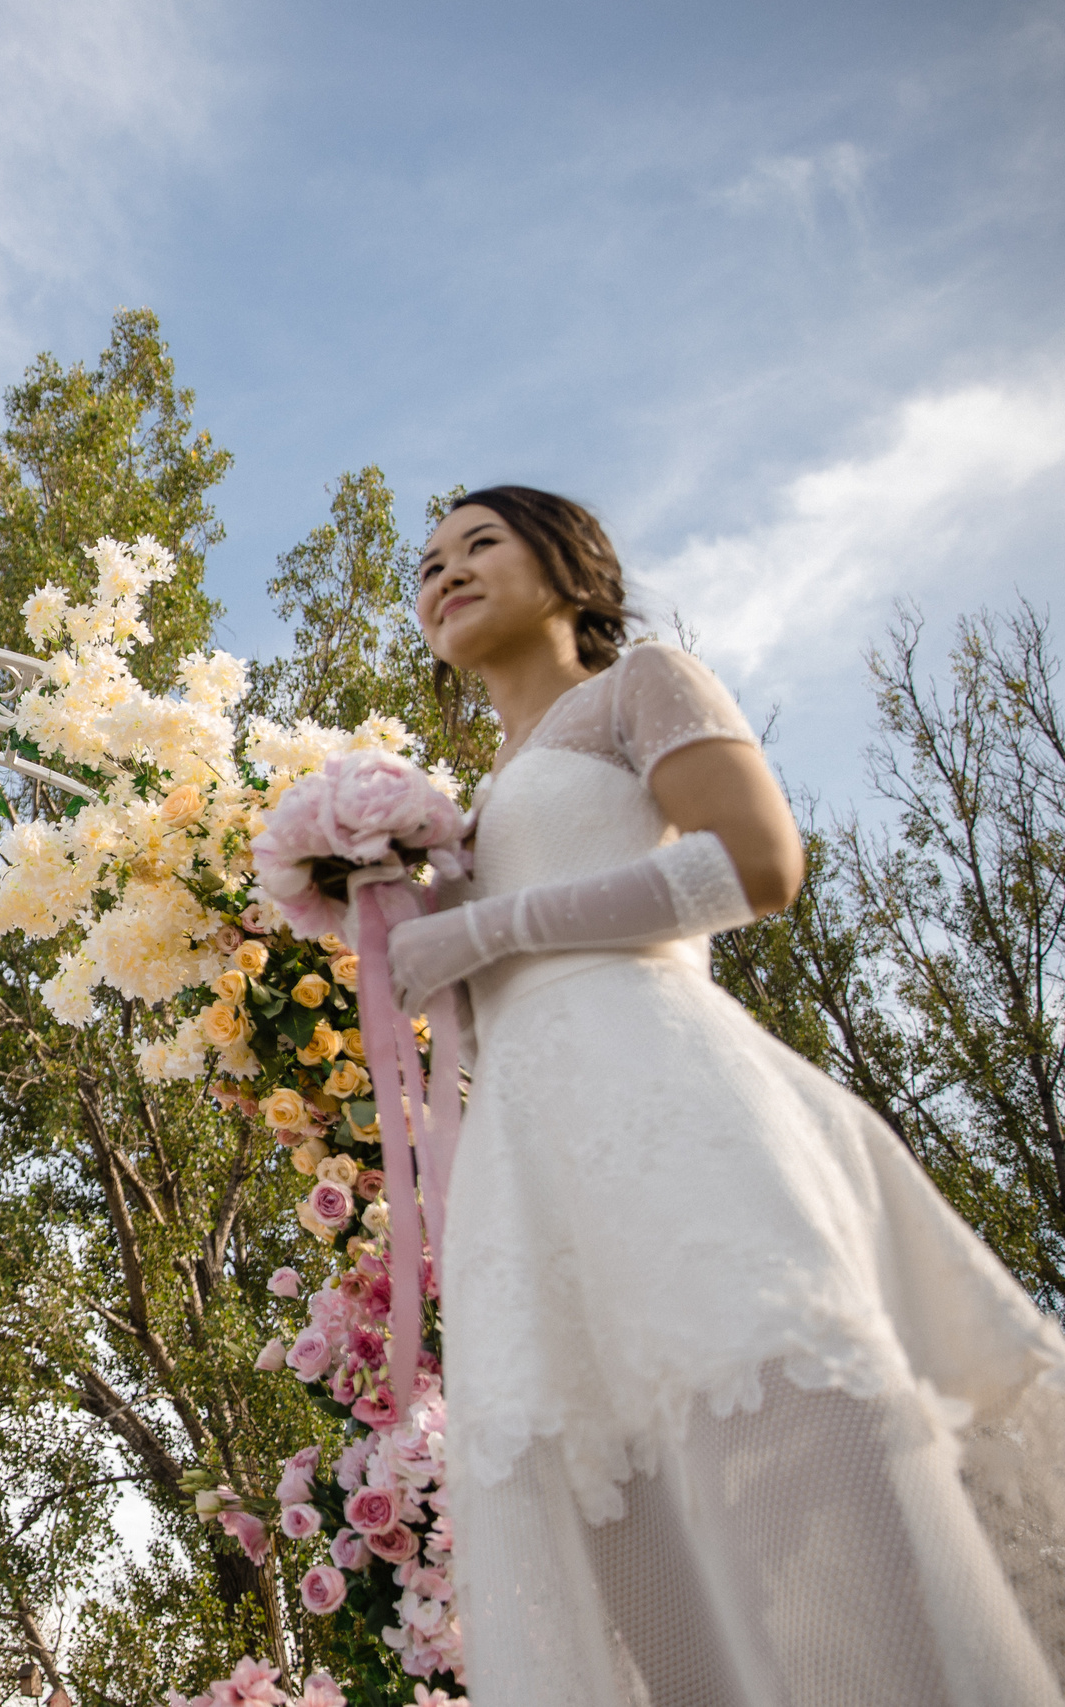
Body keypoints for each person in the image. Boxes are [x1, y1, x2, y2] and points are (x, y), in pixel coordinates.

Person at [386, 488, 1065, 1705]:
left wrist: (492, 924)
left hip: (666, 1091)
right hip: (533, 1165)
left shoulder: (640, 683)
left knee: (797, 1469)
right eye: (426, 565)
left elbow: (755, 865)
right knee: (614, 1518)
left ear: (569, 567)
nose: (445, 572)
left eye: (479, 542)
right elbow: (474, 1011)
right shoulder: (461, 808)